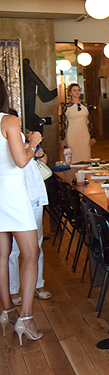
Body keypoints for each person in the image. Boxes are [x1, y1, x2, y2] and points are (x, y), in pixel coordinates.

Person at [0, 76, 43, 344]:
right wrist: (33, 142)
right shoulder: (8, 120)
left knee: (1, 254)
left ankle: (7, 310)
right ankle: (25, 317)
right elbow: (20, 161)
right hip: (11, 194)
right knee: (30, 253)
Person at [10, 129, 50, 307]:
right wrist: (32, 146)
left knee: (36, 244)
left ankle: (38, 284)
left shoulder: (23, 138)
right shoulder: (7, 140)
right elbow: (19, 161)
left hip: (34, 196)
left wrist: (37, 151)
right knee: (13, 248)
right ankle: (13, 289)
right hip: (16, 198)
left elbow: (43, 161)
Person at [59, 83, 95, 163]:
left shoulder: (85, 106)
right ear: (70, 93)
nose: (77, 92)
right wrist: (62, 139)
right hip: (72, 136)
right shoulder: (67, 107)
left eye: (78, 90)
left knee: (85, 158)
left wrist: (92, 136)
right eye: (74, 90)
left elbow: (89, 122)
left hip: (84, 136)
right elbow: (63, 124)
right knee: (73, 159)